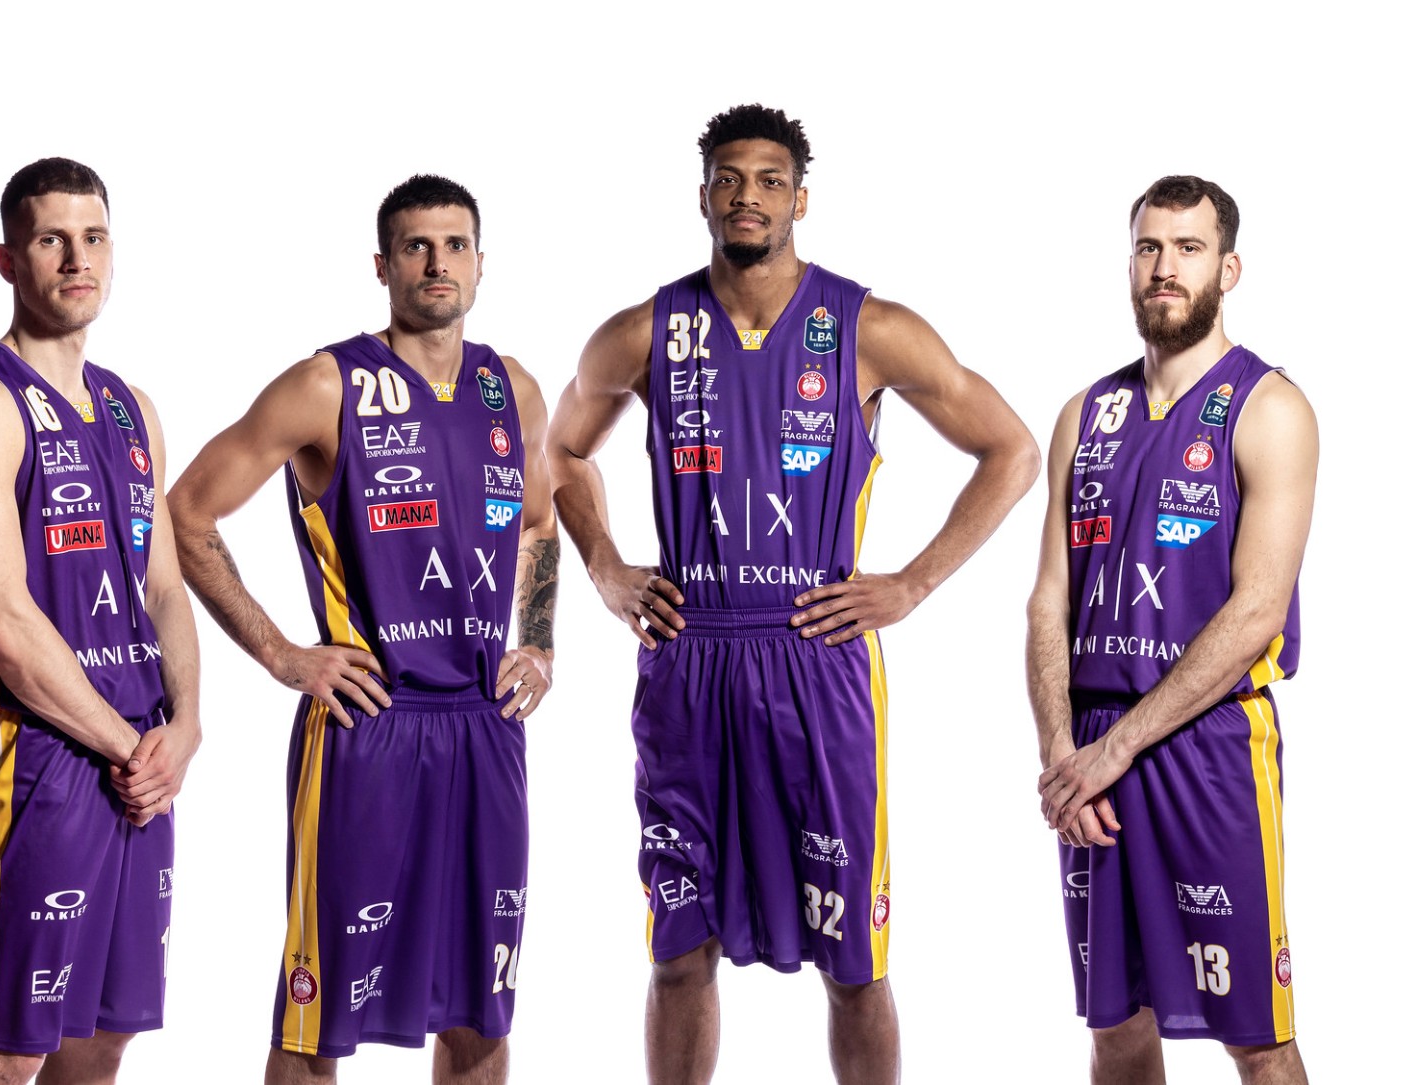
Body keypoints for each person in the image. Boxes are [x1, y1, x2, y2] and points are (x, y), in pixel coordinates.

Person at [547, 104, 1038, 1084]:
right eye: (729, 179)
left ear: (800, 200)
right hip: (689, 655)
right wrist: (603, 565)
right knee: (677, 947)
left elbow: (1012, 450)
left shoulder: (868, 327)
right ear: (702, 197)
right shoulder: (642, 331)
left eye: (770, 181)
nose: (749, 197)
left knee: (852, 956)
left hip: (817, 656)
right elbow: (557, 449)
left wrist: (912, 582)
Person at [167, 174, 557, 1085]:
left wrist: (538, 637)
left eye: (455, 245)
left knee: (480, 1005)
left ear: (482, 263)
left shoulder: (513, 388)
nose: (437, 263)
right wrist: (281, 654)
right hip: (368, 723)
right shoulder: (325, 384)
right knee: (320, 1012)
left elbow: (540, 519)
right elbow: (185, 511)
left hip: (486, 725)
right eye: (417, 246)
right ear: (383, 266)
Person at [0, 157, 202, 1085]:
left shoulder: (132, 407)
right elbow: (0, 617)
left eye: (94, 237)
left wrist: (185, 729)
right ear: (10, 260)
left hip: (140, 758)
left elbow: (165, 588)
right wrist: (131, 748)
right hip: (36, 752)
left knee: (102, 1034)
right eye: (51, 239)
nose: (78, 258)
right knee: (10, 1044)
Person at [1027, 175, 1315, 1084]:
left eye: (1189, 249)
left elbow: (1256, 611)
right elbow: (1047, 601)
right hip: (1092, 749)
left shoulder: (1270, 407)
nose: (1166, 267)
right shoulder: (1086, 413)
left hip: (1209, 747)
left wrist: (1117, 750)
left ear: (1228, 268)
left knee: (1257, 1037)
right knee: (1117, 1025)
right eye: (1150, 247)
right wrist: (1063, 753)